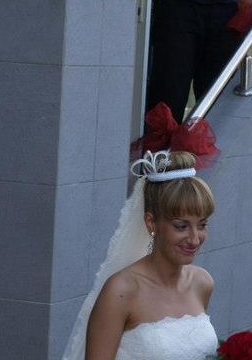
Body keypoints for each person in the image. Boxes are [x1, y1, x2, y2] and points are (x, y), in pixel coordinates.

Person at [62, 150, 217, 360]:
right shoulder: (121, 291)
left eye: (202, 225)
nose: (195, 239)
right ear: (151, 222)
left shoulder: (203, 283)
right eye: (181, 226)